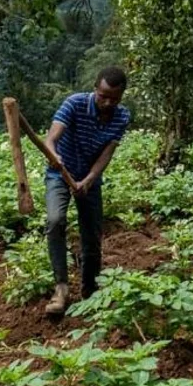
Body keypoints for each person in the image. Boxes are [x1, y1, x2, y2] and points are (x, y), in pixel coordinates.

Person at [42, 67, 131, 316]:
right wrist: (54, 156)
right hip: (60, 173)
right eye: (103, 95)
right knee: (55, 220)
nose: (107, 102)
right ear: (95, 89)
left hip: (90, 177)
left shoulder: (122, 116)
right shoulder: (74, 104)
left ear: (121, 96)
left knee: (92, 234)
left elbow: (107, 153)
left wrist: (90, 179)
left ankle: (90, 290)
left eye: (114, 98)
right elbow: (51, 139)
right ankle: (61, 289)